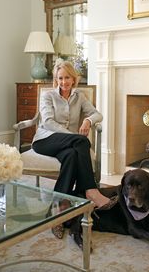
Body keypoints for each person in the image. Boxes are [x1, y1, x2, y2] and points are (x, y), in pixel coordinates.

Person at [32, 60, 117, 237]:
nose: (64, 82)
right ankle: (91, 190)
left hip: (68, 144)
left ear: (73, 78)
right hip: (45, 140)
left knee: (71, 155)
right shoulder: (48, 95)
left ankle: (57, 212)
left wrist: (87, 121)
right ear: (56, 79)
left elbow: (97, 114)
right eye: (60, 78)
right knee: (81, 142)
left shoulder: (79, 96)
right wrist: (73, 136)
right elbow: (47, 122)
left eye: (67, 78)